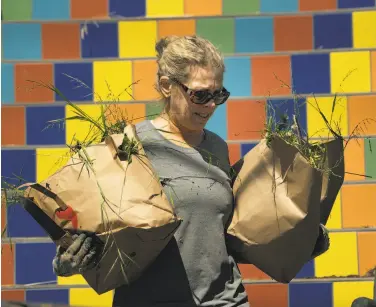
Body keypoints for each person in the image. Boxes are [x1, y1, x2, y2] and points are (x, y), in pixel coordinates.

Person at [52, 35, 329, 307]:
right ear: (166, 86)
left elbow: (225, 237)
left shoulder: (218, 148)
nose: (210, 105)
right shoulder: (130, 146)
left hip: (224, 299)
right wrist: (67, 260)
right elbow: (93, 224)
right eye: (200, 95)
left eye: (218, 94)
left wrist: (298, 240)